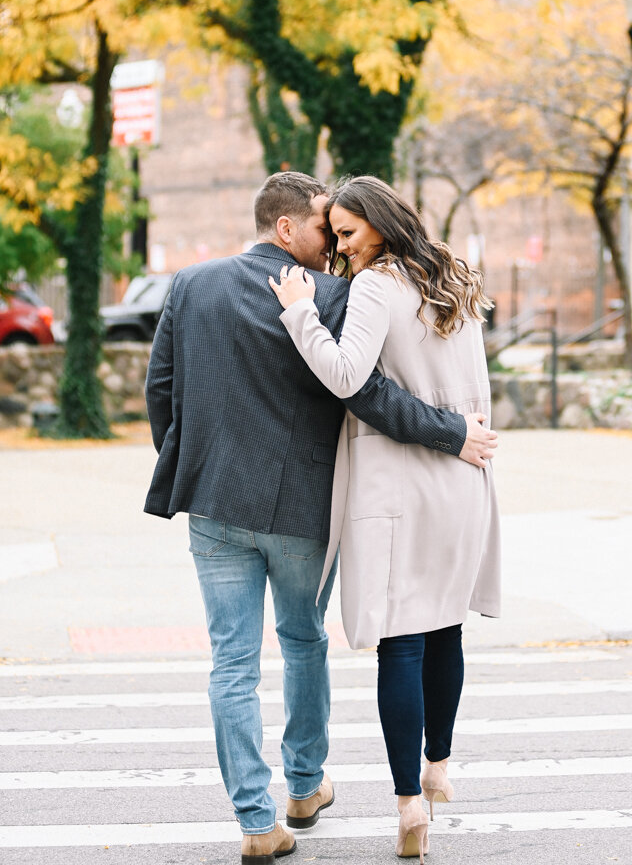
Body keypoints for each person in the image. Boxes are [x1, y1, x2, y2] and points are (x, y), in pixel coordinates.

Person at [144, 171, 497, 865]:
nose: (332, 247)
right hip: (302, 509)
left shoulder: (189, 285)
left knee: (232, 663)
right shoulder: (337, 293)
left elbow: (161, 389)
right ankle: (305, 786)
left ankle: (256, 818)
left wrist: (193, 465)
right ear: (286, 228)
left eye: (342, 231)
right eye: (322, 228)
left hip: (213, 504)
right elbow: (367, 394)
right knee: (303, 639)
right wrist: (456, 433)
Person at [270, 175, 501, 863]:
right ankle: (438, 765)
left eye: (347, 232)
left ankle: (408, 808)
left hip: (398, 479)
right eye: (334, 235)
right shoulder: (452, 276)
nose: (341, 248)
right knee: (445, 625)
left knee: (401, 640)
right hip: (463, 474)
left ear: (380, 221)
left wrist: (299, 313)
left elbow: (346, 376)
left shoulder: (376, 285)